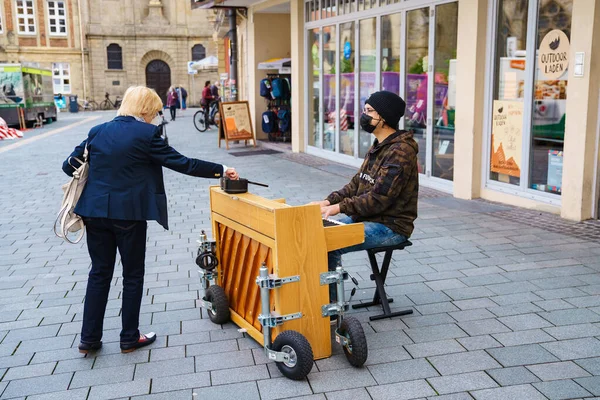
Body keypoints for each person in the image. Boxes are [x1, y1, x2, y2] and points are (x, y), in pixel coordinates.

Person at [62, 86, 239, 354]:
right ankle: (129, 338)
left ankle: (89, 340)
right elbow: (183, 163)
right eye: (155, 112)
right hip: (128, 215)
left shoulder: (97, 131)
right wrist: (221, 170)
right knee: (133, 275)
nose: (156, 117)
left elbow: (68, 165)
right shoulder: (146, 134)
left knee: (99, 273)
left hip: (94, 212)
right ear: (144, 109)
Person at [310, 90, 419, 305]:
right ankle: (318, 298)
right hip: (369, 217)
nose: (364, 115)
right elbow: (356, 184)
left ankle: (330, 309)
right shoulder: (379, 146)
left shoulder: (401, 152)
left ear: (384, 118)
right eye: (365, 110)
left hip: (391, 225)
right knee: (315, 233)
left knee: (328, 242)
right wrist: (326, 202)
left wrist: (338, 208)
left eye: (369, 111)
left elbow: (379, 198)